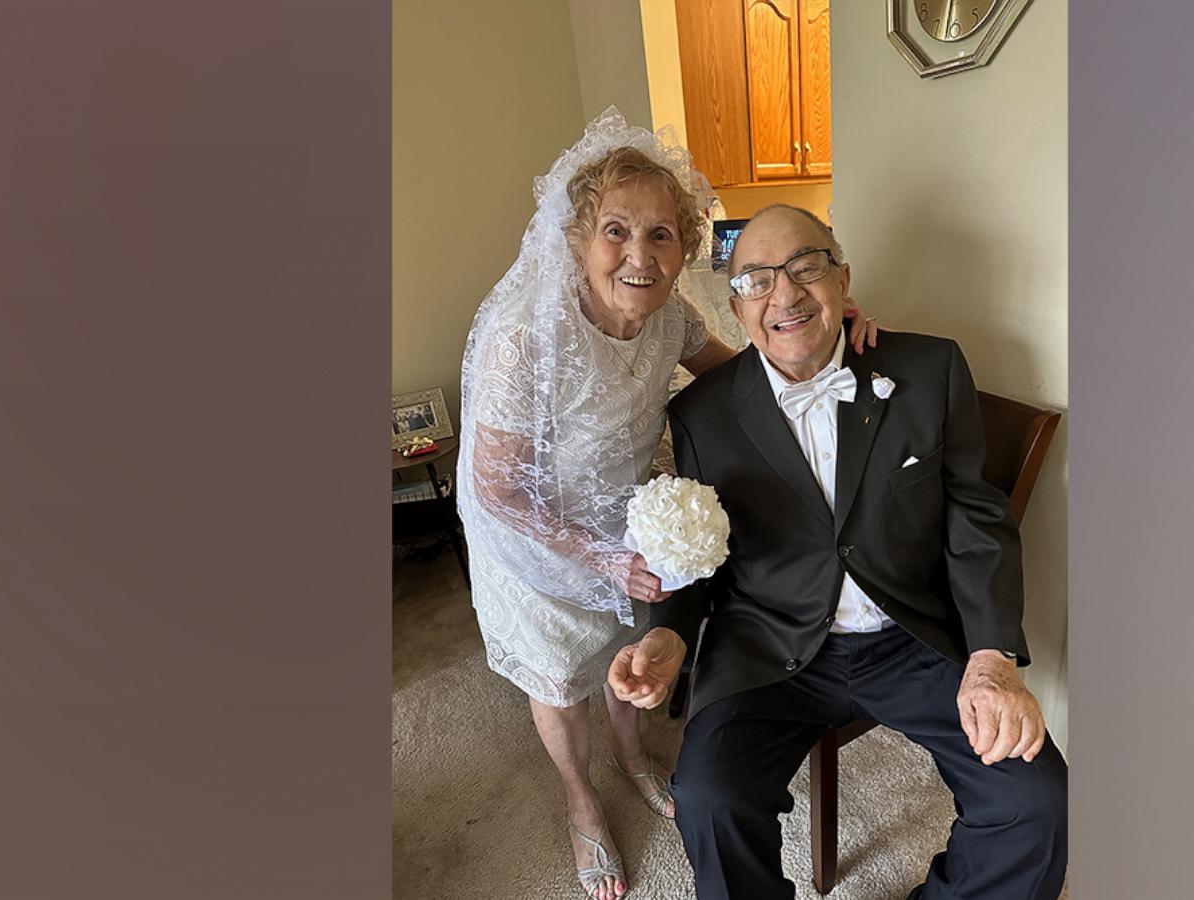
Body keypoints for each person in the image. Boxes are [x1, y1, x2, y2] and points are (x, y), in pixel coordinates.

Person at [454, 113, 877, 900]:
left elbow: (742, 378)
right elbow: (499, 488)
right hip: (535, 532)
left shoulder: (673, 317)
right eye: (617, 232)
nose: (640, 257)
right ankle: (581, 801)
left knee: (630, 652)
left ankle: (635, 755)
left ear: (685, 248)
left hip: (626, 517)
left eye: (662, 235)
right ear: (579, 239)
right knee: (559, 678)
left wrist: (822, 332)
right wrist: (604, 556)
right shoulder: (526, 337)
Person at [609, 205, 1068, 900]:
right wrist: (670, 632)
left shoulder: (928, 367)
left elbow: (977, 520)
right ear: (736, 309)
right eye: (757, 280)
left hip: (910, 636)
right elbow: (694, 550)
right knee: (708, 795)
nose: (785, 294)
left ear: (842, 276)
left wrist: (992, 654)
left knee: (1035, 800)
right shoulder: (701, 412)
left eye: (805, 266)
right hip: (768, 645)